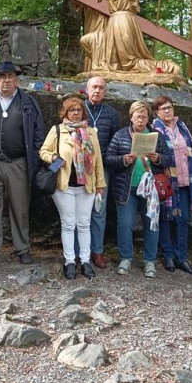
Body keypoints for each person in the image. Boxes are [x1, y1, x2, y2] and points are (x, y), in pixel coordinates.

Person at [0, 60, 44, 266]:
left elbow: (38, 133)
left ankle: (22, 248)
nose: (6, 81)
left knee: (20, 207)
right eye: (2, 77)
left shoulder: (29, 102)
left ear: (16, 80)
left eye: (10, 76)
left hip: (18, 163)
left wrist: (36, 159)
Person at [40, 96, 106, 280]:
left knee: (84, 224)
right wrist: (53, 157)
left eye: (78, 110)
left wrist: (100, 184)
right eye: (71, 110)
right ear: (65, 113)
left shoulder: (91, 132)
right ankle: (69, 261)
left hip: (86, 186)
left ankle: (85, 261)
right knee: (68, 223)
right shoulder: (57, 130)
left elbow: (98, 159)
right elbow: (43, 151)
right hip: (64, 185)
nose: (75, 113)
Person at [80, 0, 180, 76]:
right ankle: (107, 63)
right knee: (87, 40)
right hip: (121, 21)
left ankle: (165, 66)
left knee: (129, 62)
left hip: (121, 23)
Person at [106, 101, 172, 278]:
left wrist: (158, 157)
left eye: (144, 116)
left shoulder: (156, 135)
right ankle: (126, 257)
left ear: (148, 118)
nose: (141, 119)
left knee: (151, 224)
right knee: (125, 224)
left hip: (150, 188)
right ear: (131, 117)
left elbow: (168, 159)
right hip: (127, 187)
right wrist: (123, 160)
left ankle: (149, 261)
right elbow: (109, 158)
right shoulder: (120, 135)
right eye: (137, 116)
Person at [152, 95, 192, 275]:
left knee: (183, 220)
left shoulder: (182, 126)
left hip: (185, 181)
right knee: (166, 219)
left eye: (169, 107)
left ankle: (182, 257)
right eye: (163, 109)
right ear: (157, 112)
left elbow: (190, 148)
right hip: (167, 181)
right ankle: (168, 255)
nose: (167, 111)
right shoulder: (154, 128)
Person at [80, 76, 120, 268]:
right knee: (79, 211)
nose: (97, 91)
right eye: (93, 87)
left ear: (105, 91)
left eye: (101, 88)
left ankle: (97, 251)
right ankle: (79, 252)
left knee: (99, 210)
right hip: (79, 167)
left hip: (101, 169)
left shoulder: (111, 113)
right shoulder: (77, 109)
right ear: (87, 89)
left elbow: (115, 141)